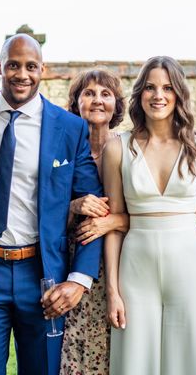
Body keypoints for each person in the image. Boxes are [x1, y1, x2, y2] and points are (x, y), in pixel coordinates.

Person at [0, 33, 103, 375]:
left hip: (43, 272)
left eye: (31, 66)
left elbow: (95, 209)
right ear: (0, 66)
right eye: (13, 65)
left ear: (42, 70)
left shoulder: (70, 128)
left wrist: (79, 279)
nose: (22, 74)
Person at [104, 56, 196, 374]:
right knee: (136, 361)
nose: (157, 95)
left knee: (193, 360)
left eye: (167, 87)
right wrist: (112, 291)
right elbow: (114, 224)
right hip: (135, 271)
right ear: (139, 94)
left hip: (192, 269)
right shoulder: (117, 148)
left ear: (179, 94)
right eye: (149, 87)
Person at [60, 69, 128, 375]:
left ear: (117, 104)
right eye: (88, 93)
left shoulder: (131, 149)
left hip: (124, 263)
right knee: (74, 347)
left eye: (105, 93)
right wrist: (73, 205)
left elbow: (155, 212)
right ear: (76, 103)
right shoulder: (62, 148)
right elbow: (40, 205)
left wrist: (111, 222)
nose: (97, 100)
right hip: (72, 262)